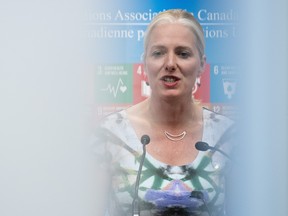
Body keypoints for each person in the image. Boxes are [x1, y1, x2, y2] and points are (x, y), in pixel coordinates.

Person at [93, 9, 234, 216]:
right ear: (145, 63)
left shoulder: (227, 136)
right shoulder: (109, 135)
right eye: (158, 53)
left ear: (202, 64)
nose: (170, 64)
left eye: (182, 53)